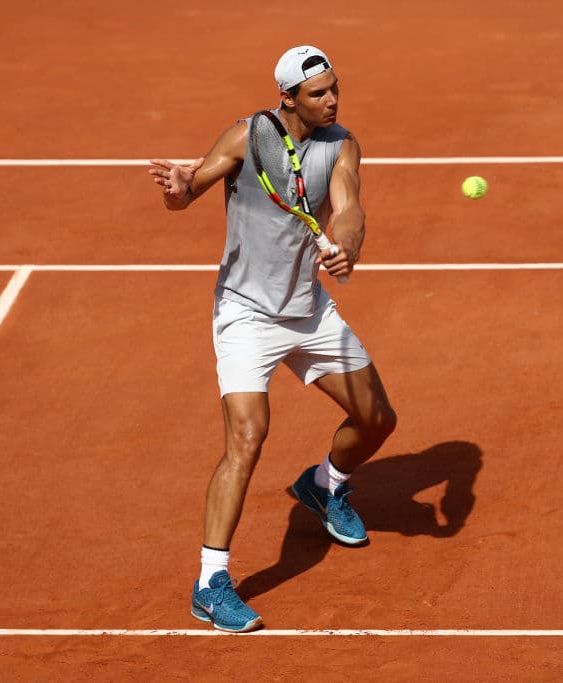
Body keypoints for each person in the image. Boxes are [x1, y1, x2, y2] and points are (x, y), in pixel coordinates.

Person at [148, 45, 397, 633]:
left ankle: (324, 485)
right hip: (245, 314)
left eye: (335, 88)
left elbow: (350, 209)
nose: (332, 100)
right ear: (287, 97)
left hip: (308, 310)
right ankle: (211, 583)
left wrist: (348, 247)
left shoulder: (341, 144)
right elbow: (185, 194)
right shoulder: (245, 137)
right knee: (248, 436)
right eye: (318, 93)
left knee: (377, 420)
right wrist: (177, 188)